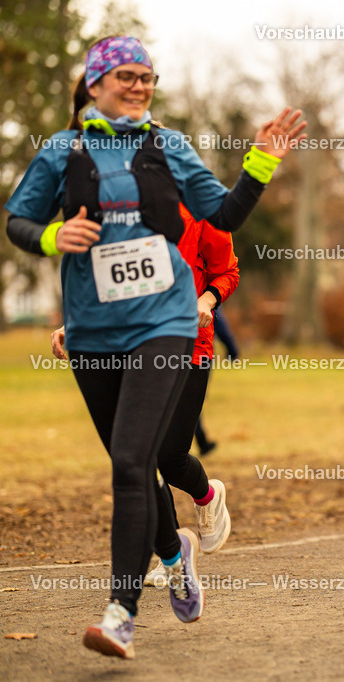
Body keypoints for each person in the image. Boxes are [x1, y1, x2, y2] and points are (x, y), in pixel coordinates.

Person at [5, 35, 305, 659]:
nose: (140, 85)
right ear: (94, 84)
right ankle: (174, 554)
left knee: (133, 459)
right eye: (127, 76)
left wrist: (260, 165)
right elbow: (18, 222)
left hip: (166, 325)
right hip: (93, 331)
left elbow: (220, 218)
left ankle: (119, 614)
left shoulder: (168, 147)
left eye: (147, 76)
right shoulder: (62, 152)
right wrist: (55, 235)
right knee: (128, 459)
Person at [52, 202, 237, 579]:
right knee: (143, 455)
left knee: (169, 456)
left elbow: (226, 271)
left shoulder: (200, 205)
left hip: (189, 345)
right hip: (131, 346)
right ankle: (173, 555)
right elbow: (108, 281)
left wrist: (207, 299)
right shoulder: (118, 209)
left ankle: (208, 495)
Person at [193, 310, 241, 456]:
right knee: (192, 401)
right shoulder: (203, 297)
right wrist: (232, 351)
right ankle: (201, 441)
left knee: (185, 401)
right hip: (198, 356)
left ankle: (201, 441)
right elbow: (220, 324)